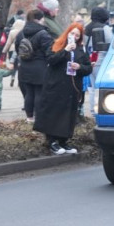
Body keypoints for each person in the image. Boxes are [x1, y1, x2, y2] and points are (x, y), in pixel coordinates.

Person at [34, 23, 93, 155]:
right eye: (72, 33)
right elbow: (51, 59)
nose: (74, 37)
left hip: (72, 88)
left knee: (68, 115)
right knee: (54, 113)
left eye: (77, 35)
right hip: (55, 86)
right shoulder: (57, 44)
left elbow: (88, 68)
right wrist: (65, 50)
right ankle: (52, 141)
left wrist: (79, 67)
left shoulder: (80, 50)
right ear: (67, 33)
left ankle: (63, 140)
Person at [16, 9, 54, 123]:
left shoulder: (21, 33)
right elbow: (49, 51)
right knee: (39, 93)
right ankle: (39, 117)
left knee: (29, 93)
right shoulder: (43, 33)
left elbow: (18, 48)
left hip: (24, 67)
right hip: (40, 68)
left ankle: (29, 117)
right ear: (39, 19)